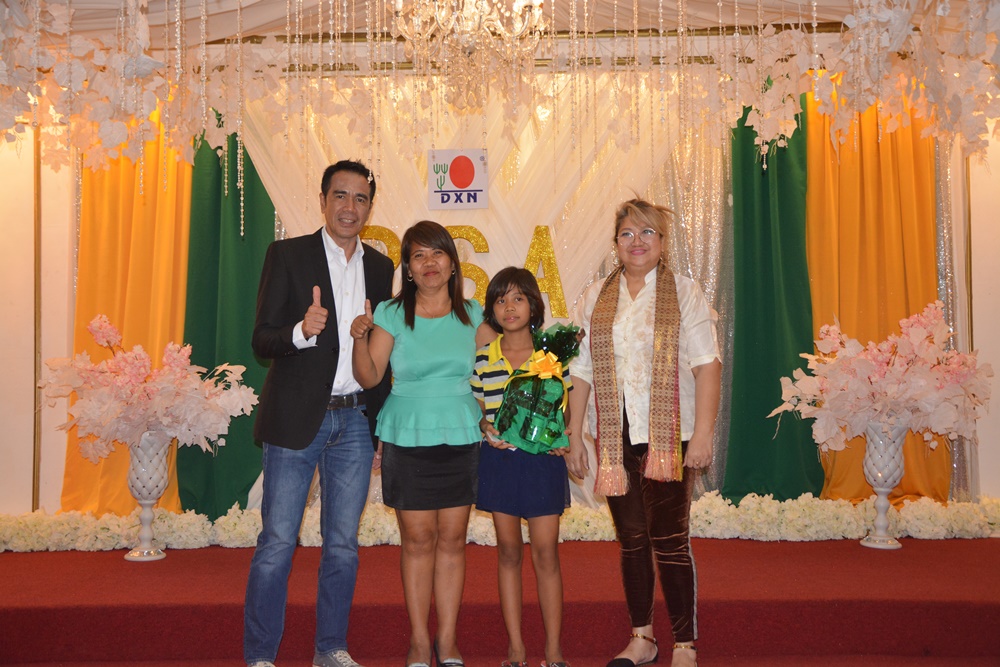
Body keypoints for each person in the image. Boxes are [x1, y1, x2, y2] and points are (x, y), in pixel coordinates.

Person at [244, 160, 394, 667]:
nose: (350, 207)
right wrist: (300, 331)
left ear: (370, 206)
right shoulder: (287, 255)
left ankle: (330, 648)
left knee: (343, 546)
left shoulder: (381, 268)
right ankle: (261, 655)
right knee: (277, 542)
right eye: (340, 196)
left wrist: (380, 424)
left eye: (360, 198)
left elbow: (382, 357)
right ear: (323, 200)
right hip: (296, 421)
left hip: (355, 422)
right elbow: (261, 339)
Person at [566, 199, 721, 667]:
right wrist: (574, 434)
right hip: (615, 436)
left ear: (662, 242)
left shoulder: (684, 292)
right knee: (631, 539)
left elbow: (707, 365)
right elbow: (581, 371)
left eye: (648, 232)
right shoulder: (597, 296)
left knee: (670, 539)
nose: (637, 242)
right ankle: (643, 638)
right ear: (616, 243)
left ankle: (685, 644)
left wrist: (703, 435)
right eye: (628, 234)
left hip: (671, 435)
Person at [351, 220, 491, 667]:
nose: (429, 263)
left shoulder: (474, 314)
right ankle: (417, 640)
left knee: (452, 539)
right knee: (416, 540)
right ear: (408, 269)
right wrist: (359, 339)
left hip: (460, 434)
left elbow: (500, 373)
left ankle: (446, 640)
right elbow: (369, 376)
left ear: (452, 262)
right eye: (418, 255)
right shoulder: (392, 313)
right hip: (406, 434)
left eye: (437, 253)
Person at [472, 267, 579, 667]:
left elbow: (565, 408)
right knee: (508, 552)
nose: (510, 307)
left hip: (541, 464)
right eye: (501, 300)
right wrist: (484, 426)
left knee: (546, 553)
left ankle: (553, 649)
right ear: (492, 310)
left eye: (518, 298)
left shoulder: (551, 357)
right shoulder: (484, 358)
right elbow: (478, 408)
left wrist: (563, 434)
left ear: (534, 305)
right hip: (499, 462)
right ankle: (515, 647)